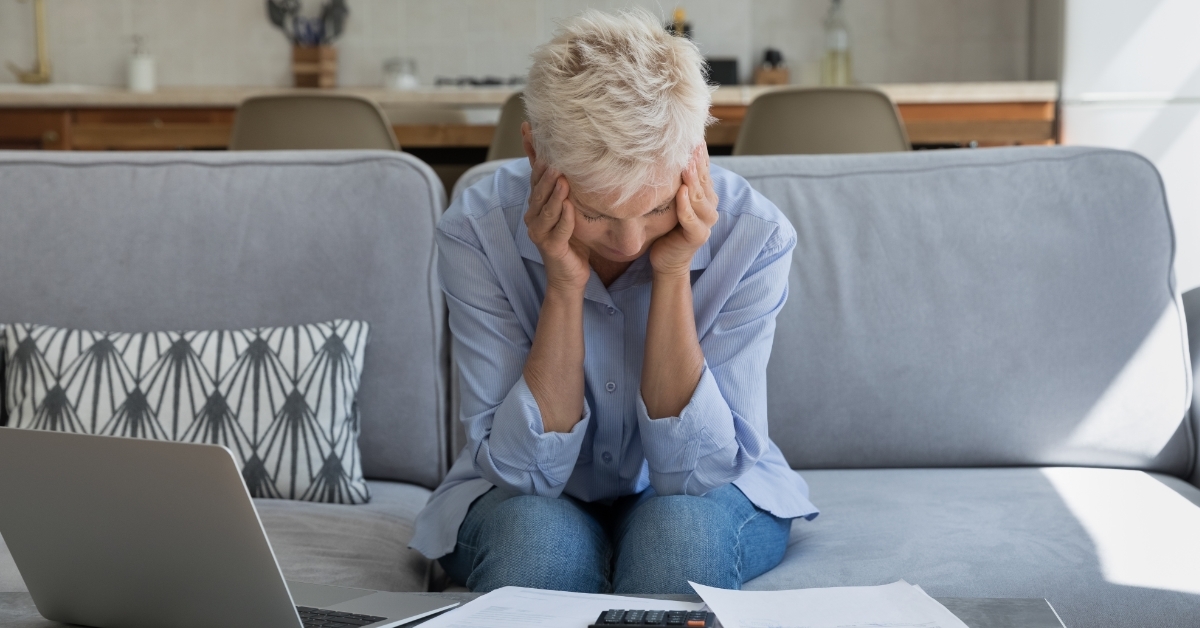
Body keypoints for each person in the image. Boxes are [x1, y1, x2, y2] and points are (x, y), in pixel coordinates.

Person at [409, 8, 818, 594]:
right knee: (536, 546)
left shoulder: (754, 236)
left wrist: (674, 269)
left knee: (676, 541)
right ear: (534, 154)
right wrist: (564, 283)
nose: (628, 242)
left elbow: (692, 474)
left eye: (654, 209)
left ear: (693, 154)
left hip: (707, 491)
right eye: (596, 213)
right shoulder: (477, 232)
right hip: (526, 494)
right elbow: (526, 476)